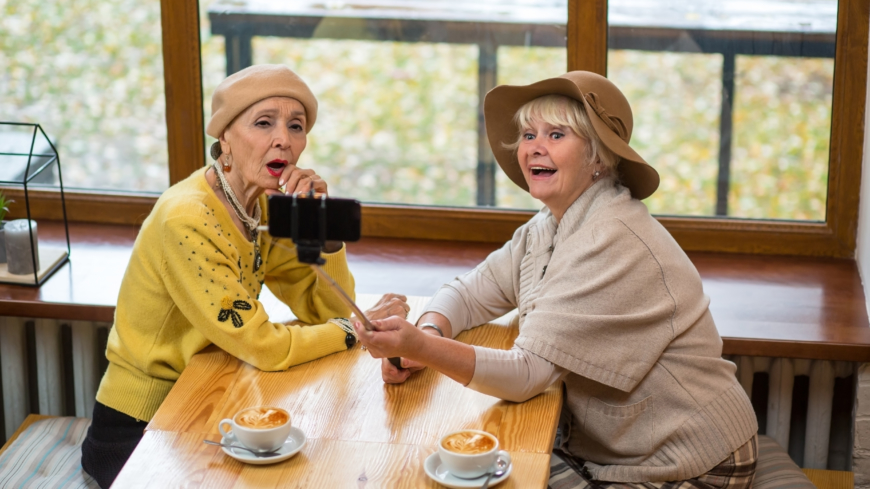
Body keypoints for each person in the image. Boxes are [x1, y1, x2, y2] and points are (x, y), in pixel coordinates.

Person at [354, 71, 758, 488]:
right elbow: (470, 292)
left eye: (556, 135)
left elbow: (527, 375)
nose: (534, 148)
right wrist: (429, 331)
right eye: (528, 135)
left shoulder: (613, 237)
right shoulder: (549, 225)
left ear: (598, 156)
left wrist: (424, 347)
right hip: (616, 449)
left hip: (693, 461)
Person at [81, 64, 409, 488]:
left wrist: (319, 229)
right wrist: (353, 330)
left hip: (208, 405)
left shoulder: (263, 207)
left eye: (296, 126)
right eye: (263, 123)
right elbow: (264, 346)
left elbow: (322, 306)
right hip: (140, 430)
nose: (284, 140)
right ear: (225, 139)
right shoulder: (187, 217)